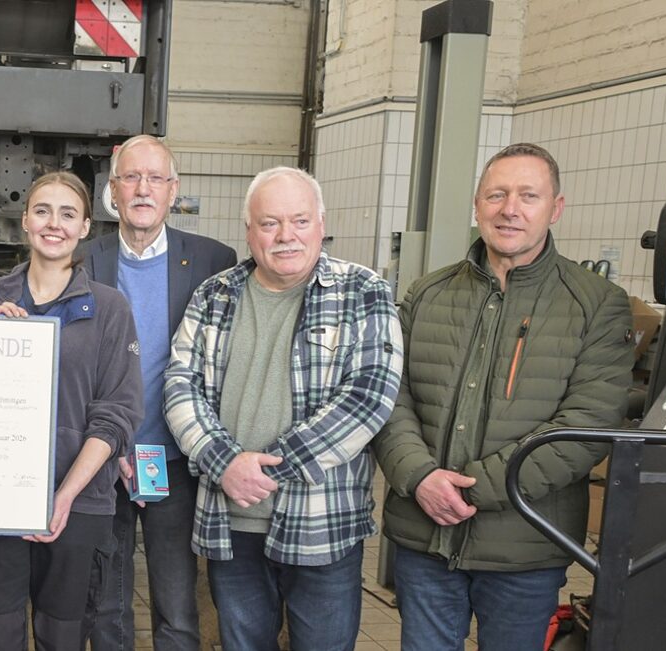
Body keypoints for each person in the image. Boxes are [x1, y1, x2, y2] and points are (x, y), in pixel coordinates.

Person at [374, 143, 632, 651]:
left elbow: (586, 425)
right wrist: (420, 476)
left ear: (555, 208)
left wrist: (468, 492)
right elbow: (386, 396)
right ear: (477, 204)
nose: (509, 208)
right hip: (423, 541)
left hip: (527, 548)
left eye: (528, 195)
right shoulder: (427, 294)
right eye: (497, 194)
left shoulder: (596, 305)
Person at [165, 166, 403, 650]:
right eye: (269, 223)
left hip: (321, 523)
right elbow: (179, 384)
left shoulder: (363, 292)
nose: (285, 236)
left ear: (320, 222)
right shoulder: (214, 295)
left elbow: (368, 397)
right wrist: (224, 462)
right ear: (249, 231)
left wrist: (268, 469)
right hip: (231, 519)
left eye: (299, 220)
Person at [0, 171, 142, 650]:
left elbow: (116, 414)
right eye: (42, 211)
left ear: (85, 227)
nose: (53, 223)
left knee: (63, 636)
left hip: (78, 506)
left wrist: (64, 495)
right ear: (24, 221)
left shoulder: (109, 309)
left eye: (67, 214)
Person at [81, 134, 236, 651]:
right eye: (131, 177)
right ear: (113, 192)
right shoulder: (83, 260)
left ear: (174, 191)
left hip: (174, 457)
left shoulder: (215, 260)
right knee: (106, 601)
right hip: (102, 456)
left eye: (155, 178)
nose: (143, 189)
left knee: (178, 604)